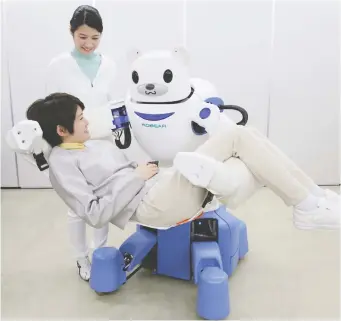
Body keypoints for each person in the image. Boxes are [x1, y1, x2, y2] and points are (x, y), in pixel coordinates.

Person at [27, 93, 340, 236]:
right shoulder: (61, 166)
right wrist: (135, 177)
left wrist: (146, 173)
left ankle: (313, 196)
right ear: (61, 130)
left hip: (156, 186)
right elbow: (94, 214)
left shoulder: (90, 142)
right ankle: (306, 205)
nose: (86, 121)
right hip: (152, 205)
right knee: (238, 139)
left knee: (246, 136)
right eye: (80, 118)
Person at [44, 5, 118, 281]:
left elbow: (111, 103)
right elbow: (51, 108)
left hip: (102, 140)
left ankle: (100, 253)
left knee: (104, 201)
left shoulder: (109, 65)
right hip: (70, 145)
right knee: (77, 206)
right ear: (71, 32)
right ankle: (80, 258)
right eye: (82, 36)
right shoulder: (59, 65)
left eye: (95, 37)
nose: (88, 43)